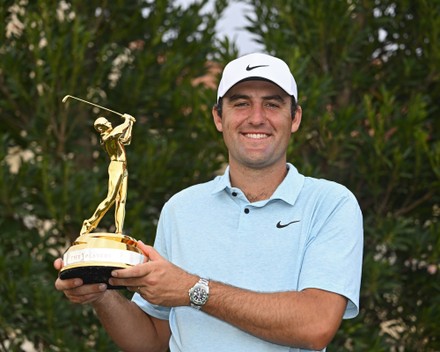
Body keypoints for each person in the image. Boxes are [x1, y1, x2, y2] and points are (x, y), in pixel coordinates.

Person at [55, 53, 363, 352]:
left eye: (272, 104)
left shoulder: (331, 204)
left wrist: (193, 290)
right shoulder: (181, 208)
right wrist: (99, 295)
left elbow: (315, 325)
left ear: (294, 118)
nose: (256, 118)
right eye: (241, 103)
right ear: (219, 117)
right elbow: (152, 339)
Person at [80, 114, 136, 235]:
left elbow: (127, 140)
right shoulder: (106, 137)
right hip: (116, 166)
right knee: (111, 198)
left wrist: (130, 124)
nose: (109, 123)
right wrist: (126, 121)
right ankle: (89, 223)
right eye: (106, 123)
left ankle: (119, 231)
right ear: (101, 128)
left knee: (121, 200)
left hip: (123, 167)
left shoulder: (114, 137)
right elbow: (117, 131)